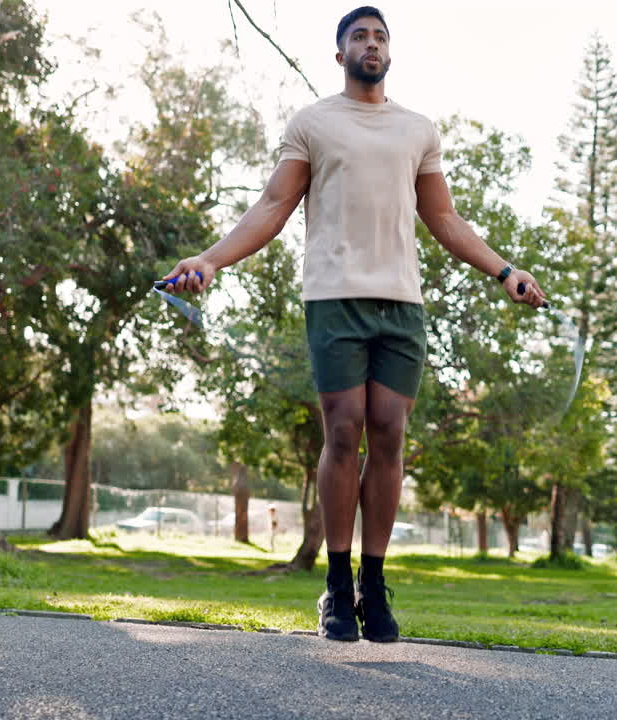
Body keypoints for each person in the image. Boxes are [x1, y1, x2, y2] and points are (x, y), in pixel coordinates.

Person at [162, 5, 546, 643]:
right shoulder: (313, 123)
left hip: (402, 305)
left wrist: (505, 271)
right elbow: (273, 205)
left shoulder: (418, 130)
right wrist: (209, 260)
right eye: (359, 36)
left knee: (389, 436)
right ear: (339, 54)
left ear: (390, 52)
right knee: (344, 433)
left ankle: (374, 580)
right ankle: (336, 586)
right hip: (334, 299)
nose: (371, 44)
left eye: (380, 36)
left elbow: (444, 220)